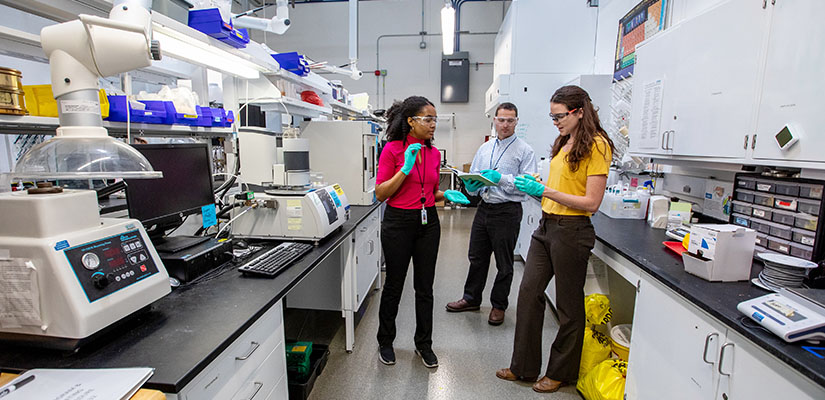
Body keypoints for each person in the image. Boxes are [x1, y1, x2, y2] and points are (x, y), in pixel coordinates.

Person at [496, 86, 614, 393]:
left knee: (568, 306)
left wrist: (545, 192)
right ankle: (523, 367)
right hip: (547, 227)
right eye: (552, 116)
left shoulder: (598, 145)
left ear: (579, 112)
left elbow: (591, 202)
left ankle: (560, 372)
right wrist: (538, 183)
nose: (555, 122)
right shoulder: (564, 140)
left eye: (559, 116)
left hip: (573, 230)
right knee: (528, 293)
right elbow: (562, 182)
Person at [374, 96, 470, 369]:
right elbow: (382, 193)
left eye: (434, 120)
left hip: (428, 223)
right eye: (428, 119)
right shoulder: (392, 150)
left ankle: (423, 344)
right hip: (398, 223)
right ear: (410, 121)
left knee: (425, 286)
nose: (433, 125)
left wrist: (444, 195)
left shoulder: (433, 153)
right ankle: (385, 341)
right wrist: (404, 168)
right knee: (394, 283)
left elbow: (428, 191)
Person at [445, 102, 537, 326]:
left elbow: (528, 185)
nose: (505, 125)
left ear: (516, 122)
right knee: (476, 257)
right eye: (501, 120)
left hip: (507, 211)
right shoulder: (485, 148)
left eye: (510, 120)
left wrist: (501, 179)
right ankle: (471, 298)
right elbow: (474, 178)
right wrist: (471, 185)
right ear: (494, 120)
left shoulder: (525, 151)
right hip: (484, 208)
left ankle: (498, 305)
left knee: (504, 263)